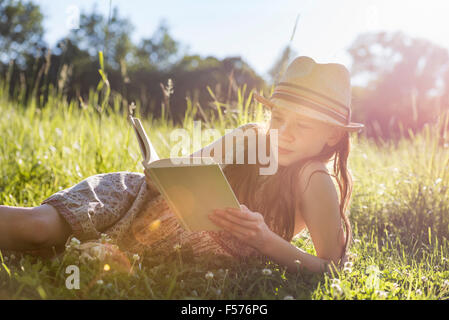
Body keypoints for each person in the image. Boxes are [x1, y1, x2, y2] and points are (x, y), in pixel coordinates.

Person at [0, 56, 364, 273]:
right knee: (37, 226)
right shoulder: (251, 136)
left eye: (301, 126)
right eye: (279, 118)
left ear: (332, 135)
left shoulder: (313, 179)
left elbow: (330, 268)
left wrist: (264, 240)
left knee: (56, 245)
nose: (283, 133)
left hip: (163, 243)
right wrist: (161, 175)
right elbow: (186, 168)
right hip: (138, 198)